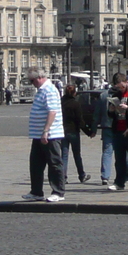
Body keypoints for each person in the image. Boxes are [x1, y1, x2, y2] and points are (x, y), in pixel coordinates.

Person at [24, 65, 66, 202]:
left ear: (40, 78)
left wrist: (46, 130)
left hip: (50, 135)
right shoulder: (41, 90)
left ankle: (58, 192)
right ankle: (36, 191)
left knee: (54, 163)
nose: (32, 84)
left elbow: (52, 111)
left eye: (32, 80)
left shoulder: (49, 90)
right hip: (38, 134)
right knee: (35, 164)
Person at [61, 80, 91, 184]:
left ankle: (63, 177)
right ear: (74, 93)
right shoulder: (75, 104)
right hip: (73, 131)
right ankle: (81, 175)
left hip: (62, 131)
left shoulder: (61, 102)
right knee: (77, 155)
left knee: (63, 156)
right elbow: (80, 120)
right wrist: (88, 132)